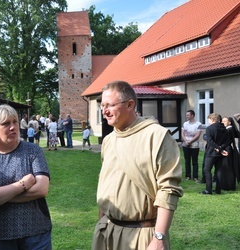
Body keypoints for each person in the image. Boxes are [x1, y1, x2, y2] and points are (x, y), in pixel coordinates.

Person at [92, 81, 183, 250]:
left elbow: (168, 189)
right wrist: (101, 222)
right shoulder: (109, 140)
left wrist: (159, 237)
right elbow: (105, 182)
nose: (104, 111)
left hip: (142, 235)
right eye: (102, 105)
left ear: (130, 104)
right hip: (107, 231)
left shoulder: (157, 136)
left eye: (109, 105)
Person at [0, 104, 52, 250]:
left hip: (36, 231)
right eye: (6, 123)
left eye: (15, 122)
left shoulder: (33, 151)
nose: (13, 127)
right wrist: (22, 184)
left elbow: (41, 189)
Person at [201, 113, 230, 195]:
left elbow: (210, 141)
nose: (209, 122)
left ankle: (208, 190)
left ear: (213, 120)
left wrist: (218, 148)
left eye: (209, 120)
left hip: (211, 153)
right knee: (219, 171)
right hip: (220, 153)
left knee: (207, 170)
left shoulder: (210, 128)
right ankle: (218, 190)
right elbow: (227, 141)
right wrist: (221, 148)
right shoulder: (224, 128)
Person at [181, 110, 202, 181]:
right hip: (185, 144)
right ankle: (188, 176)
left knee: (194, 161)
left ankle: (195, 176)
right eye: (186, 115)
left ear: (192, 115)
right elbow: (182, 133)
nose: (186, 116)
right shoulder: (185, 124)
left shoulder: (198, 124)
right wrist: (186, 141)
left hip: (194, 145)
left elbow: (198, 135)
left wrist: (190, 141)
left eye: (188, 115)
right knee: (187, 161)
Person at [220, 116, 238, 190]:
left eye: (225, 121)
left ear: (229, 122)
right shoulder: (228, 129)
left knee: (228, 167)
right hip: (228, 148)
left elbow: (227, 141)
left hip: (227, 149)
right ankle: (227, 184)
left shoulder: (229, 129)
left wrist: (220, 147)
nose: (223, 122)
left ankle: (228, 185)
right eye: (222, 121)